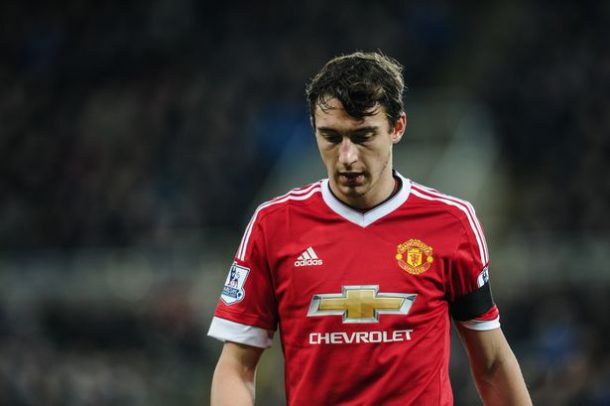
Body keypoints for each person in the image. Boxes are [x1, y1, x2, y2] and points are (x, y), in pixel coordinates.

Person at [208, 51, 531, 405]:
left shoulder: (452, 222)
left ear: (397, 128)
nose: (347, 157)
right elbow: (237, 366)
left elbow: (492, 363)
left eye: (363, 136)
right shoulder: (273, 225)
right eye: (331, 137)